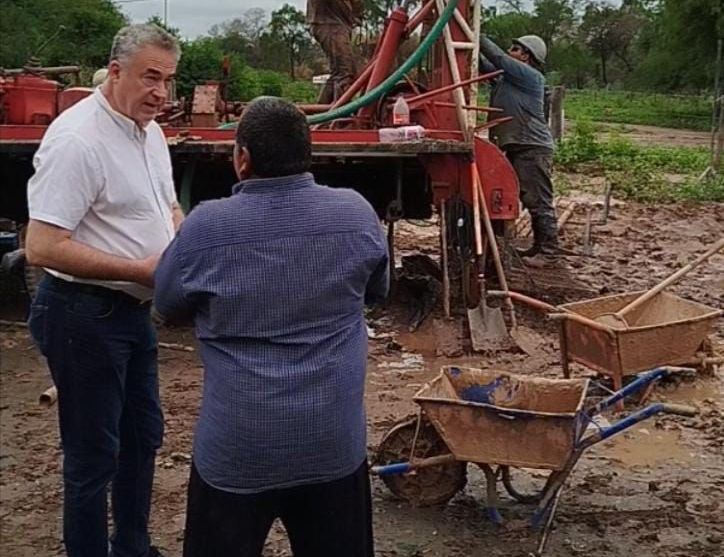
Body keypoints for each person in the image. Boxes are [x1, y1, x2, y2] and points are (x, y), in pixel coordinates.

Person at [154, 96, 388, 557]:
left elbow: (166, 304)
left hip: (238, 451)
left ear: (242, 158)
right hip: (332, 446)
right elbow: (376, 291)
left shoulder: (205, 226)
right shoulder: (356, 214)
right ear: (310, 152)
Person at [25, 23, 183, 557]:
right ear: (115, 73)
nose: (161, 93)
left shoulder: (150, 131)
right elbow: (42, 246)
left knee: (143, 438)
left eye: (169, 80)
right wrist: (140, 269)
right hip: (81, 314)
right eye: (150, 78)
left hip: (132, 313)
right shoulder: (78, 139)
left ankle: (133, 548)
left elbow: (166, 207)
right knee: (94, 454)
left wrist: (184, 246)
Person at [479, 34, 558, 258]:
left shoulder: (530, 76)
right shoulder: (506, 79)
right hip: (517, 146)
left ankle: (549, 252)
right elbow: (484, 64)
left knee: (538, 200)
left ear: (525, 56)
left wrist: (474, 34)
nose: (509, 51)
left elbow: (496, 57)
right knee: (524, 197)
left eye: (514, 48)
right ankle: (539, 248)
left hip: (531, 147)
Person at [307, 0, 362, 104]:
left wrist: (356, 16)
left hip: (338, 24)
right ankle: (341, 112)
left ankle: (321, 112)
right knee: (345, 73)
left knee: (341, 72)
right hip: (329, 24)